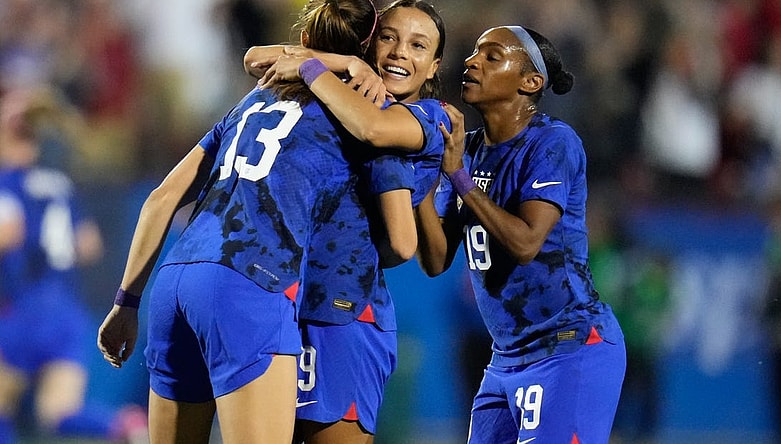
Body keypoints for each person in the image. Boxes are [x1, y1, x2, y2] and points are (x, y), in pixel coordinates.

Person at [95, 1, 381, 443]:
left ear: (303, 42)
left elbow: (161, 198)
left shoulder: (252, 101)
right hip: (251, 282)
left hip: (175, 282)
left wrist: (125, 302)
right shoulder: (355, 114)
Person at [243, 1, 448, 442]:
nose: (397, 53)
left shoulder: (423, 118)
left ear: (434, 67)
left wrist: (358, 256)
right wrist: (344, 62)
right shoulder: (346, 100)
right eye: (389, 38)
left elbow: (405, 245)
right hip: (291, 308)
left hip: (346, 315)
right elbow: (256, 57)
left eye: (417, 45)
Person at [413, 26, 626, 443]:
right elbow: (436, 260)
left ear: (531, 82)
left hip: (568, 345)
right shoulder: (467, 149)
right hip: (505, 358)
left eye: (492, 57)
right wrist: (420, 178)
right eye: (474, 52)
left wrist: (457, 176)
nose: (472, 62)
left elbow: (527, 243)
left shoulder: (551, 143)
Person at [0, 88, 147, 444]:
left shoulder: (8, 183)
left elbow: (8, 233)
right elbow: (88, 244)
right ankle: (125, 427)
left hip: (22, 311)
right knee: (59, 412)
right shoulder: (60, 185)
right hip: (66, 314)